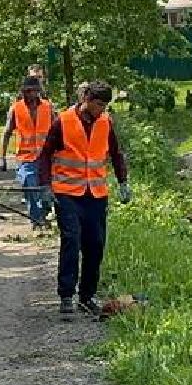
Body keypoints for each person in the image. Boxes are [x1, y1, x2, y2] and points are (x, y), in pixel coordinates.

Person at [35, 80, 130, 314]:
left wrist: (123, 181)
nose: (101, 109)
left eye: (104, 106)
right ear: (86, 99)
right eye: (98, 104)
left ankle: (86, 296)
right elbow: (45, 154)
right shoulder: (64, 121)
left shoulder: (106, 122)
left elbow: (115, 154)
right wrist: (45, 185)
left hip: (96, 194)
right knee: (71, 240)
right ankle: (66, 295)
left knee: (95, 245)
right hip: (67, 193)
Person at [0, 76, 55, 229]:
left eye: (34, 91)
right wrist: (2, 157)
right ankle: (36, 221)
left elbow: (58, 131)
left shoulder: (48, 107)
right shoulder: (16, 108)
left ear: (38, 91)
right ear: (23, 91)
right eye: (28, 91)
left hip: (46, 157)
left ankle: (46, 216)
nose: (31, 94)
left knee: (45, 190)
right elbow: (6, 132)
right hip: (25, 158)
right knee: (30, 186)